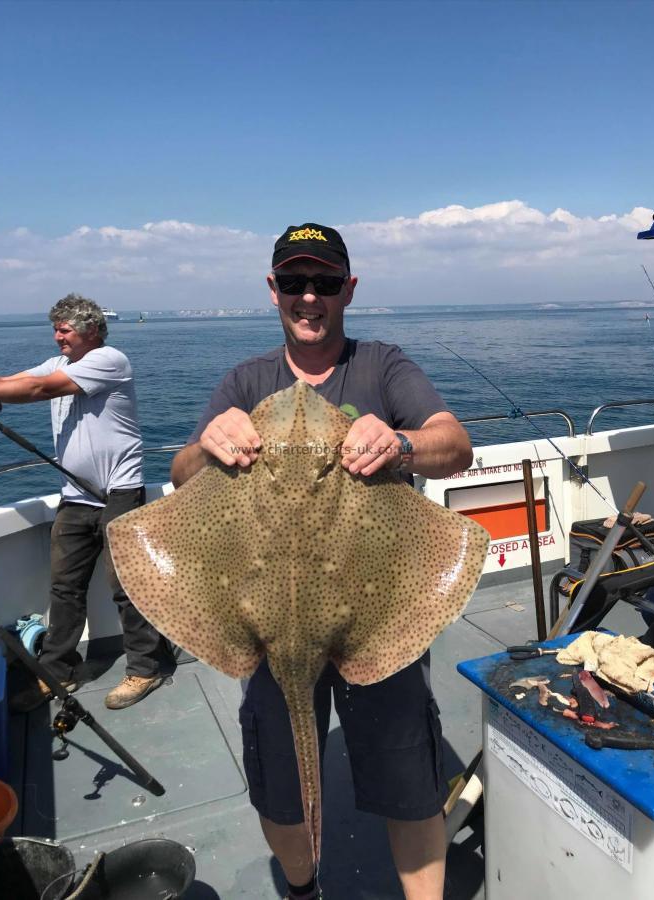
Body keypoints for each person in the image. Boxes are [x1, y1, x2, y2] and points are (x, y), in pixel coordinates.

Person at [171, 224, 474, 900]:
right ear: (273, 289)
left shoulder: (382, 365)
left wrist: (399, 442)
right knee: (282, 784)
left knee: (407, 778)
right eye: (295, 282)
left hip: (377, 610)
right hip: (264, 617)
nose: (310, 296)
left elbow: (454, 445)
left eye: (326, 283)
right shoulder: (246, 379)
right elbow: (180, 478)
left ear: (348, 290)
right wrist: (206, 445)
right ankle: (303, 889)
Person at [0, 294, 168, 711]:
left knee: (127, 587)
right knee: (64, 588)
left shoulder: (110, 360)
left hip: (120, 493)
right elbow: (18, 381)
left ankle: (146, 667)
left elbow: (34, 390)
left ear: (90, 330)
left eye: (64, 330)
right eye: (55, 329)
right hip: (76, 496)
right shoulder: (59, 364)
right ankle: (57, 672)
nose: (57, 337)